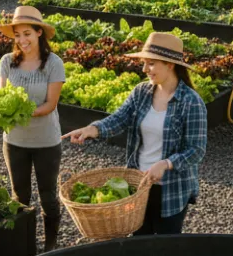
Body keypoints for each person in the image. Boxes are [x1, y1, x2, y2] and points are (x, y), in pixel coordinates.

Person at [64, 32, 208, 235]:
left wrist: (166, 164)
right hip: (137, 184)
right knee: (138, 241)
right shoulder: (142, 92)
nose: (144, 69)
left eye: (150, 64)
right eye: (144, 63)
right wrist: (92, 129)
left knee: (166, 247)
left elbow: (196, 150)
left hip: (171, 189)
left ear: (170, 64)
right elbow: (119, 118)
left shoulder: (191, 102)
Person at [0, 7, 67, 252]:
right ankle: (25, 245)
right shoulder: (7, 62)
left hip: (46, 141)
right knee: (20, 196)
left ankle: (50, 244)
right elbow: (0, 96)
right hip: (14, 141)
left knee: (48, 195)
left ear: (39, 33)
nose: (22, 40)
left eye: (27, 33)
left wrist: (21, 112)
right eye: (17, 35)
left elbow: (50, 104)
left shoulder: (53, 63)